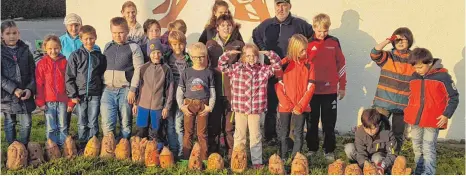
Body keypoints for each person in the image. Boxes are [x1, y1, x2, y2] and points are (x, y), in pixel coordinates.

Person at [252, 0, 314, 142]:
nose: (281, 9)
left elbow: (311, 36)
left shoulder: (299, 24)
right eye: (278, 5)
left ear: (289, 6)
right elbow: (255, 34)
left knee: (293, 102)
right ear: (274, 7)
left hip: (292, 71)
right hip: (272, 71)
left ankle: (291, 138)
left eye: (284, 5)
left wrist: (301, 53)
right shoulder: (267, 24)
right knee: (272, 104)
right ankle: (270, 136)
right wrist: (264, 49)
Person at [218, 44, 281, 168]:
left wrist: (270, 54)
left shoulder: (263, 70)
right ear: (243, 57)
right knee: (239, 135)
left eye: (253, 55)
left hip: (255, 110)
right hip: (240, 109)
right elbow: (221, 66)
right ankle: (237, 160)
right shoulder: (236, 68)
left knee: (255, 136)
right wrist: (228, 54)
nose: (251, 58)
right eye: (248, 56)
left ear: (257, 57)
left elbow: (277, 66)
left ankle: (256, 162)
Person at [404, 48, 459, 175]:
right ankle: (419, 171)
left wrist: (446, 115)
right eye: (415, 67)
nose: (417, 70)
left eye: (420, 67)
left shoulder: (443, 77)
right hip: (415, 119)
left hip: (433, 119)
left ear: (429, 63)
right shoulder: (414, 77)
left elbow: (454, 97)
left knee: (428, 147)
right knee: (416, 147)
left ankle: (428, 173)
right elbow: (410, 96)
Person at [306, 13, 346, 162]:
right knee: (311, 121)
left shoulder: (334, 42)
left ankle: (329, 150)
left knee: (329, 122)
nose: (322, 34)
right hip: (312, 91)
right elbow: (303, 66)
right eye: (319, 31)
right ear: (314, 28)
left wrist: (342, 86)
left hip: (330, 91)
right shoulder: (308, 43)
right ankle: (312, 148)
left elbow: (341, 64)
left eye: (325, 31)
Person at [203, 14, 245, 158]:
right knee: (214, 125)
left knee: (229, 127)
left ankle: (232, 155)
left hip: (231, 92)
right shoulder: (210, 44)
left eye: (229, 25)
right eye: (223, 25)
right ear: (217, 27)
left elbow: (245, 66)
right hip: (214, 91)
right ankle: (214, 155)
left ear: (232, 27)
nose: (226, 28)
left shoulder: (238, 44)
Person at [370, 27, 415, 152]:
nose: (400, 42)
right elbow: (374, 53)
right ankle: (377, 157)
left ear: (409, 41)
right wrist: (387, 41)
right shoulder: (388, 56)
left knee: (398, 133)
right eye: (397, 39)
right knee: (379, 130)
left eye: (404, 40)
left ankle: (394, 157)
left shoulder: (414, 59)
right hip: (383, 102)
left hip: (402, 105)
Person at [101, 17, 144, 139]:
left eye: (121, 32)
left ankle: (124, 147)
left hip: (125, 89)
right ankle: (109, 147)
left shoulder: (134, 47)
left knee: (125, 122)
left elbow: (139, 69)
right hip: (108, 89)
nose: (117, 36)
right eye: (114, 33)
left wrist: (133, 90)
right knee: (107, 121)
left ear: (127, 31)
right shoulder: (108, 46)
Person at [276, 34, 315, 160]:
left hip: (301, 106)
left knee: (298, 134)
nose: (305, 52)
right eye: (302, 50)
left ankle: (295, 159)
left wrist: (300, 105)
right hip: (285, 105)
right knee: (284, 133)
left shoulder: (309, 64)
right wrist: (286, 103)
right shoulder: (283, 63)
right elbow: (278, 85)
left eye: (306, 49)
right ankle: (283, 157)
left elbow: (311, 87)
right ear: (294, 49)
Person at [65, 25, 106, 142]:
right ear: (81, 39)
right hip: (80, 95)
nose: (89, 41)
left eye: (91, 38)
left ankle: (93, 142)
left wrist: (101, 90)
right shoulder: (75, 55)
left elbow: (102, 74)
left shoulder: (100, 57)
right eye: (86, 39)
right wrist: (73, 95)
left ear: (96, 37)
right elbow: (69, 76)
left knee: (93, 120)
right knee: (82, 120)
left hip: (95, 94)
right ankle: (83, 141)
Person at [176, 42, 215, 161]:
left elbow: (213, 92)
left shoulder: (208, 72)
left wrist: (210, 107)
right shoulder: (187, 72)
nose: (199, 59)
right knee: (188, 132)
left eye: (202, 56)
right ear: (191, 57)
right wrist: (181, 106)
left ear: (206, 56)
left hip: (203, 104)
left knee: (202, 133)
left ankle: (203, 158)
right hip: (189, 104)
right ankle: (186, 158)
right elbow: (180, 91)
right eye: (196, 57)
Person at [133, 39, 174, 150]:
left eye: (158, 52)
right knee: (141, 130)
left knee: (156, 132)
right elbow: (138, 87)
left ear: (162, 53)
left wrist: (166, 107)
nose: (156, 55)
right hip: (143, 106)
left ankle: (156, 152)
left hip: (158, 107)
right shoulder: (143, 68)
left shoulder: (166, 69)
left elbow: (169, 90)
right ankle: (140, 152)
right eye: (153, 52)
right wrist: (135, 104)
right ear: (149, 54)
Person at [1, 20, 36, 145]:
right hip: (8, 96)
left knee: (26, 123)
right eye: (8, 33)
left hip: (25, 96)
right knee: (10, 122)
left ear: (19, 34)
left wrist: (30, 89)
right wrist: (14, 89)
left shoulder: (25, 50)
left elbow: (33, 72)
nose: (12, 36)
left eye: (14, 33)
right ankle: (13, 150)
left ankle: (23, 147)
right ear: (1, 35)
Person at [36, 35, 74, 147]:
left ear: (60, 47)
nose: (53, 51)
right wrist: (40, 102)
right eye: (50, 49)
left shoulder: (65, 63)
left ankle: (63, 147)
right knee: (51, 126)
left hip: (63, 100)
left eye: (56, 48)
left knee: (63, 125)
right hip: (48, 101)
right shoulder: (42, 64)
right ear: (45, 49)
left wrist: (71, 101)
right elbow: (39, 84)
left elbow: (70, 82)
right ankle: (51, 147)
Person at [164, 30, 192, 158]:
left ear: (185, 44)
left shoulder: (188, 59)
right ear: (170, 45)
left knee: (178, 125)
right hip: (169, 96)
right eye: (174, 44)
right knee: (169, 124)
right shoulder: (167, 57)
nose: (178, 47)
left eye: (180, 44)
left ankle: (181, 152)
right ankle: (173, 149)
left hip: (182, 96)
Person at [344, 108, 397, 175]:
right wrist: (365, 165)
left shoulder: (388, 133)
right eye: (366, 128)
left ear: (379, 124)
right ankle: (356, 167)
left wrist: (383, 165)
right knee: (349, 148)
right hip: (364, 157)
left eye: (372, 128)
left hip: (378, 157)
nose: (369, 131)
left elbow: (392, 154)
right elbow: (361, 152)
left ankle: (380, 171)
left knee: (377, 158)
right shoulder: (359, 132)